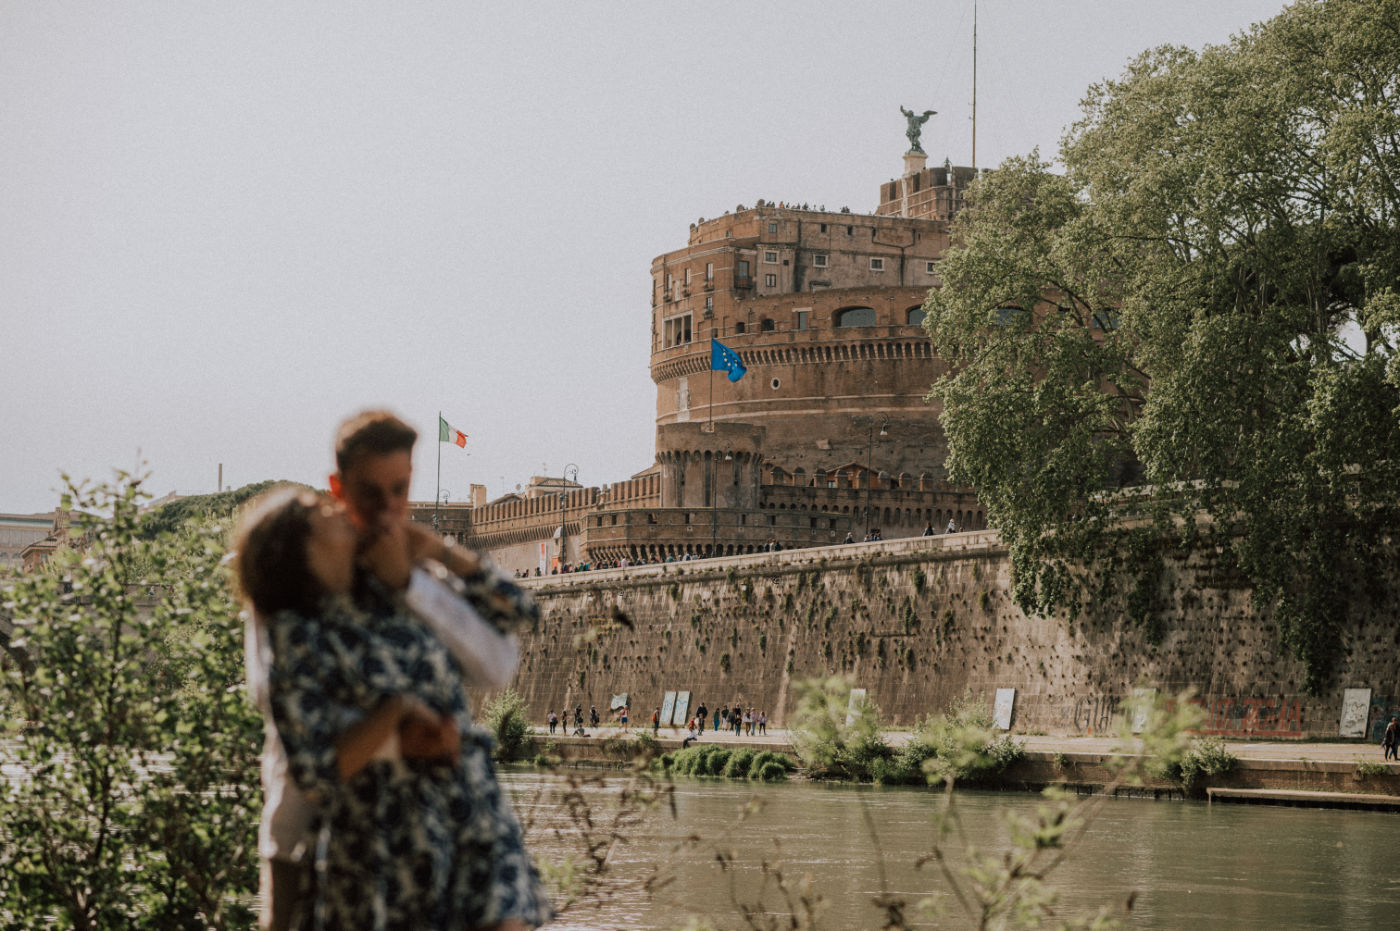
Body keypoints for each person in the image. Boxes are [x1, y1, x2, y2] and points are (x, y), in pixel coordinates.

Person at [246, 410, 539, 931]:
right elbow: (287, 716)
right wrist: (400, 733)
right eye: (368, 493)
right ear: (338, 487)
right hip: (325, 832)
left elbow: (504, 652)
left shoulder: (402, 569)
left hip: (454, 818)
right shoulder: (289, 592)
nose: (387, 511)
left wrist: (432, 561)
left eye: (399, 490)